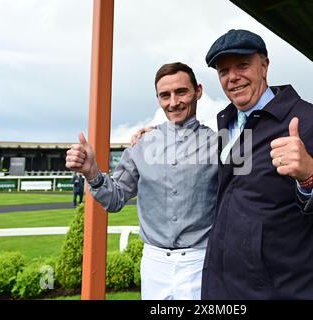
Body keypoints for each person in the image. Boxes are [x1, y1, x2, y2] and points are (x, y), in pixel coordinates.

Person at [200, 29, 313, 300]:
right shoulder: (227, 123)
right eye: (223, 71)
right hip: (224, 288)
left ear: (265, 65)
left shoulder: (309, 120)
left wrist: (311, 175)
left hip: (285, 290)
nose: (232, 77)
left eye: (242, 65)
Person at [65, 62, 218, 300]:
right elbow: (114, 199)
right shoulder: (142, 144)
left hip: (201, 261)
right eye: (164, 95)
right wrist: (91, 172)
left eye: (181, 92)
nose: (173, 102)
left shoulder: (220, 144)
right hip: (154, 265)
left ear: (198, 91)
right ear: (157, 98)